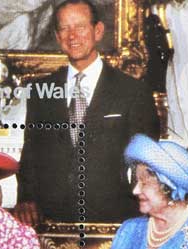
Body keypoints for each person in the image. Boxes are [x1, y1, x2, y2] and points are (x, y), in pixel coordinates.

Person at [15, 0, 160, 224]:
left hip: (114, 219)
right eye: (65, 28)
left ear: (98, 31)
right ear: (57, 36)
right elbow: (31, 154)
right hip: (52, 221)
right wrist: (26, 198)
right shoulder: (41, 90)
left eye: (80, 27)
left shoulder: (132, 91)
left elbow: (146, 160)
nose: (72, 36)